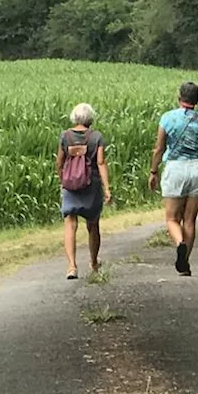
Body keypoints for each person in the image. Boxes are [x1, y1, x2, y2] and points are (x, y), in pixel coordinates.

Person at [148, 81, 198, 276]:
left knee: (172, 218)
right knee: (190, 220)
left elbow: (159, 148)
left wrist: (154, 171)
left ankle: (180, 243)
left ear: (180, 97)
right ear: (197, 100)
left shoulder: (167, 119)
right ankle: (185, 263)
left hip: (175, 168)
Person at [56, 103, 112, 279]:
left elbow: (59, 162)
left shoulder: (65, 136)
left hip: (71, 186)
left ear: (74, 117)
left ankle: (72, 266)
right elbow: (101, 162)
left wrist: (63, 180)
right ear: (90, 118)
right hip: (91, 185)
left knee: (70, 224)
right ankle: (94, 262)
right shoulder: (97, 137)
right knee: (93, 225)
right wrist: (107, 188)